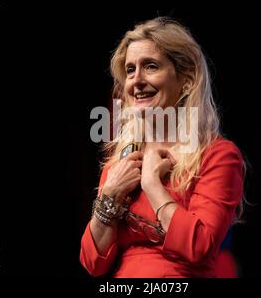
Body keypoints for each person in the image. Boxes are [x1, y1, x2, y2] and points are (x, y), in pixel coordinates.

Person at [80, 17, 244, 278]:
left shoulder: (217, 155)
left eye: (151, 66)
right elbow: (92, 263)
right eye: (130, 70)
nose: (137, 80)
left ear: (187, 79)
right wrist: (109, 195)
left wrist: (152, 186)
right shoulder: (121, 162)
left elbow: (200, 246)